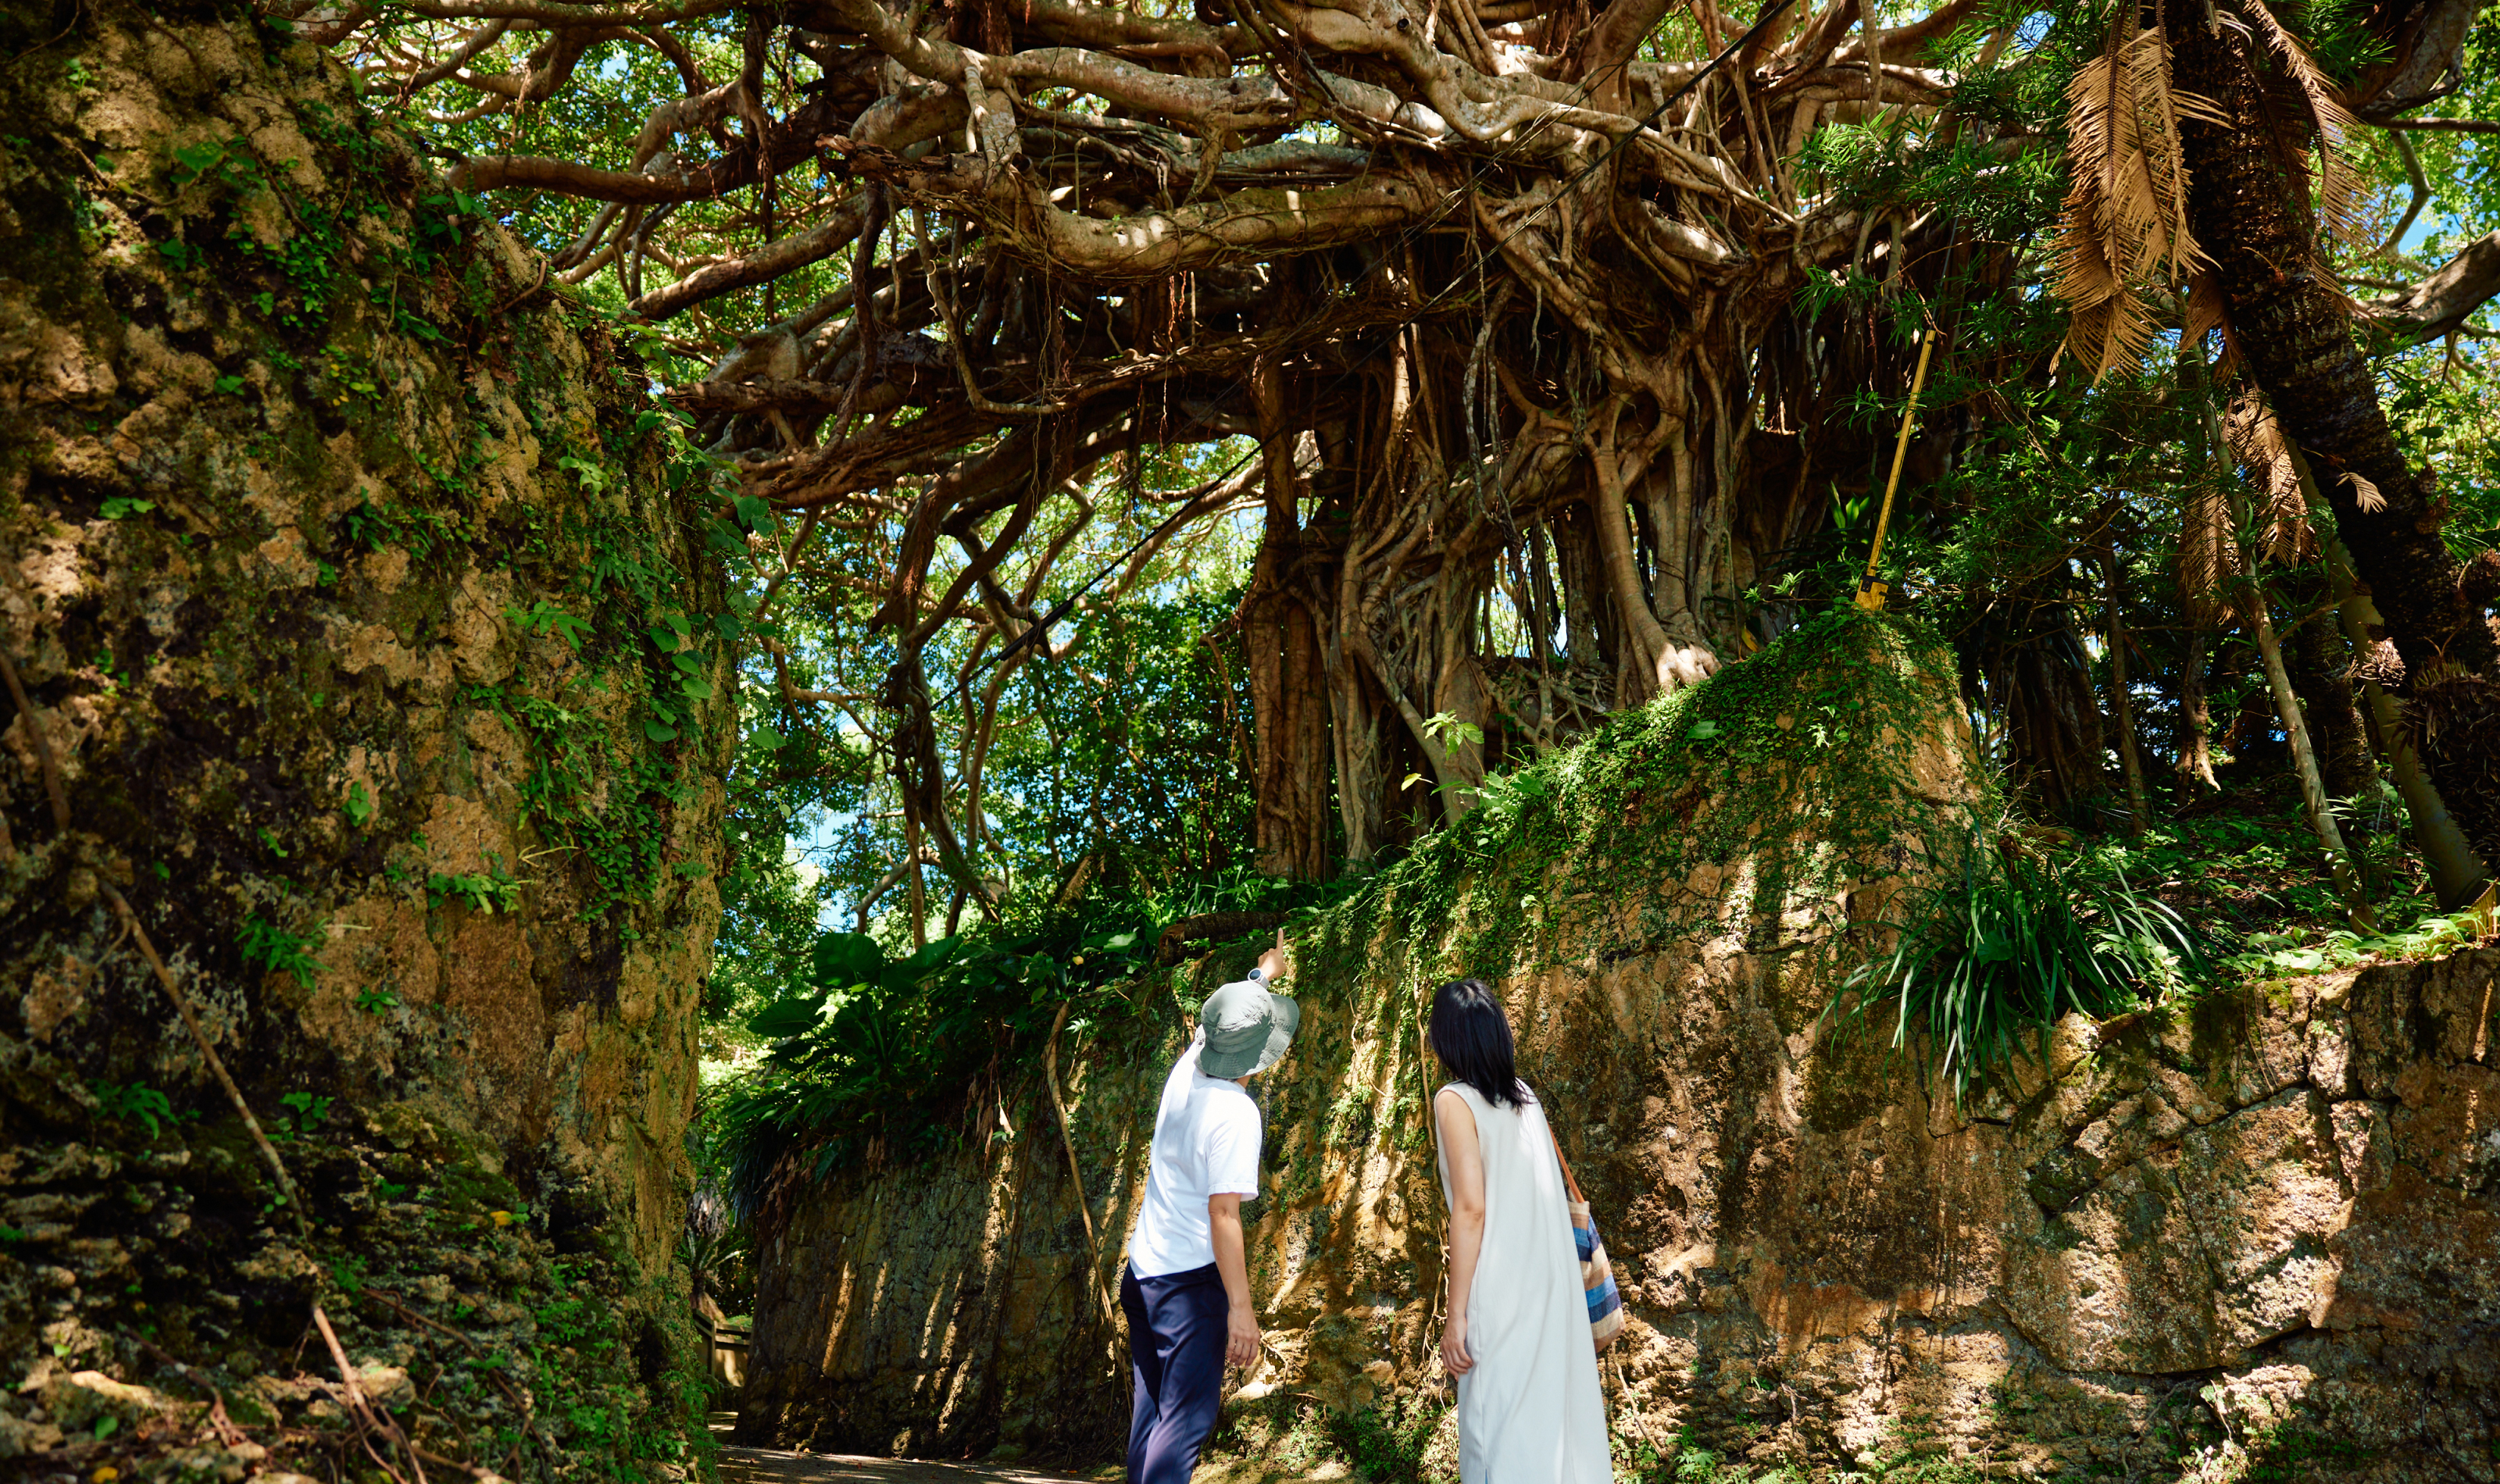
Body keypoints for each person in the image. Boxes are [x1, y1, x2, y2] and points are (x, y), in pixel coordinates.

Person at [1121, 929, 1299, 1484]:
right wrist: (1240, 1310)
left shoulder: (1189, 1066)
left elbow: (1220, 1021)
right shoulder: (1236, 1114)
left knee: (1151, 1420)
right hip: (1186, 1290)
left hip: (1142, 1275)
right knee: (1184, 1428)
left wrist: (1262, 975)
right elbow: (1223, 1216)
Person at [1430, 977, 1610, 1484]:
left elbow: (1470, 1210)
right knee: (1557, 1425)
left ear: (1446, 1040)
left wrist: (1456, 1315)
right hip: (1552, 1291)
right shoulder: (1525, 1097)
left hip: (1500, 1292)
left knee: (1499, 1432)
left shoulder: (1453, 1101)